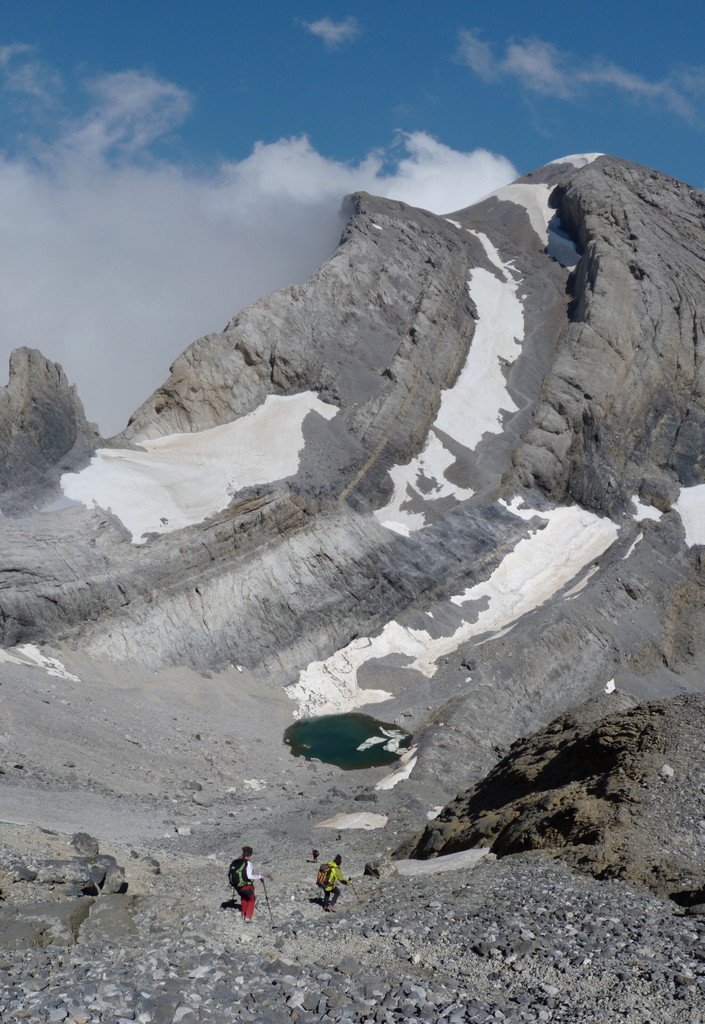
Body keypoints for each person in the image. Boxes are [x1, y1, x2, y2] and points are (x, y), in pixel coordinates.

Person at [230, 845, 264, 922]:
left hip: (237, 886)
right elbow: (249, 875)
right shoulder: (247, 863)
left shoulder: (237, 862)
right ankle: (248, 917)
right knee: (251, 898)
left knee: (244, 898)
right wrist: (260, 877)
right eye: (250, 855)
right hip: (246, 885)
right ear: (249, 855)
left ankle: (243, 914)